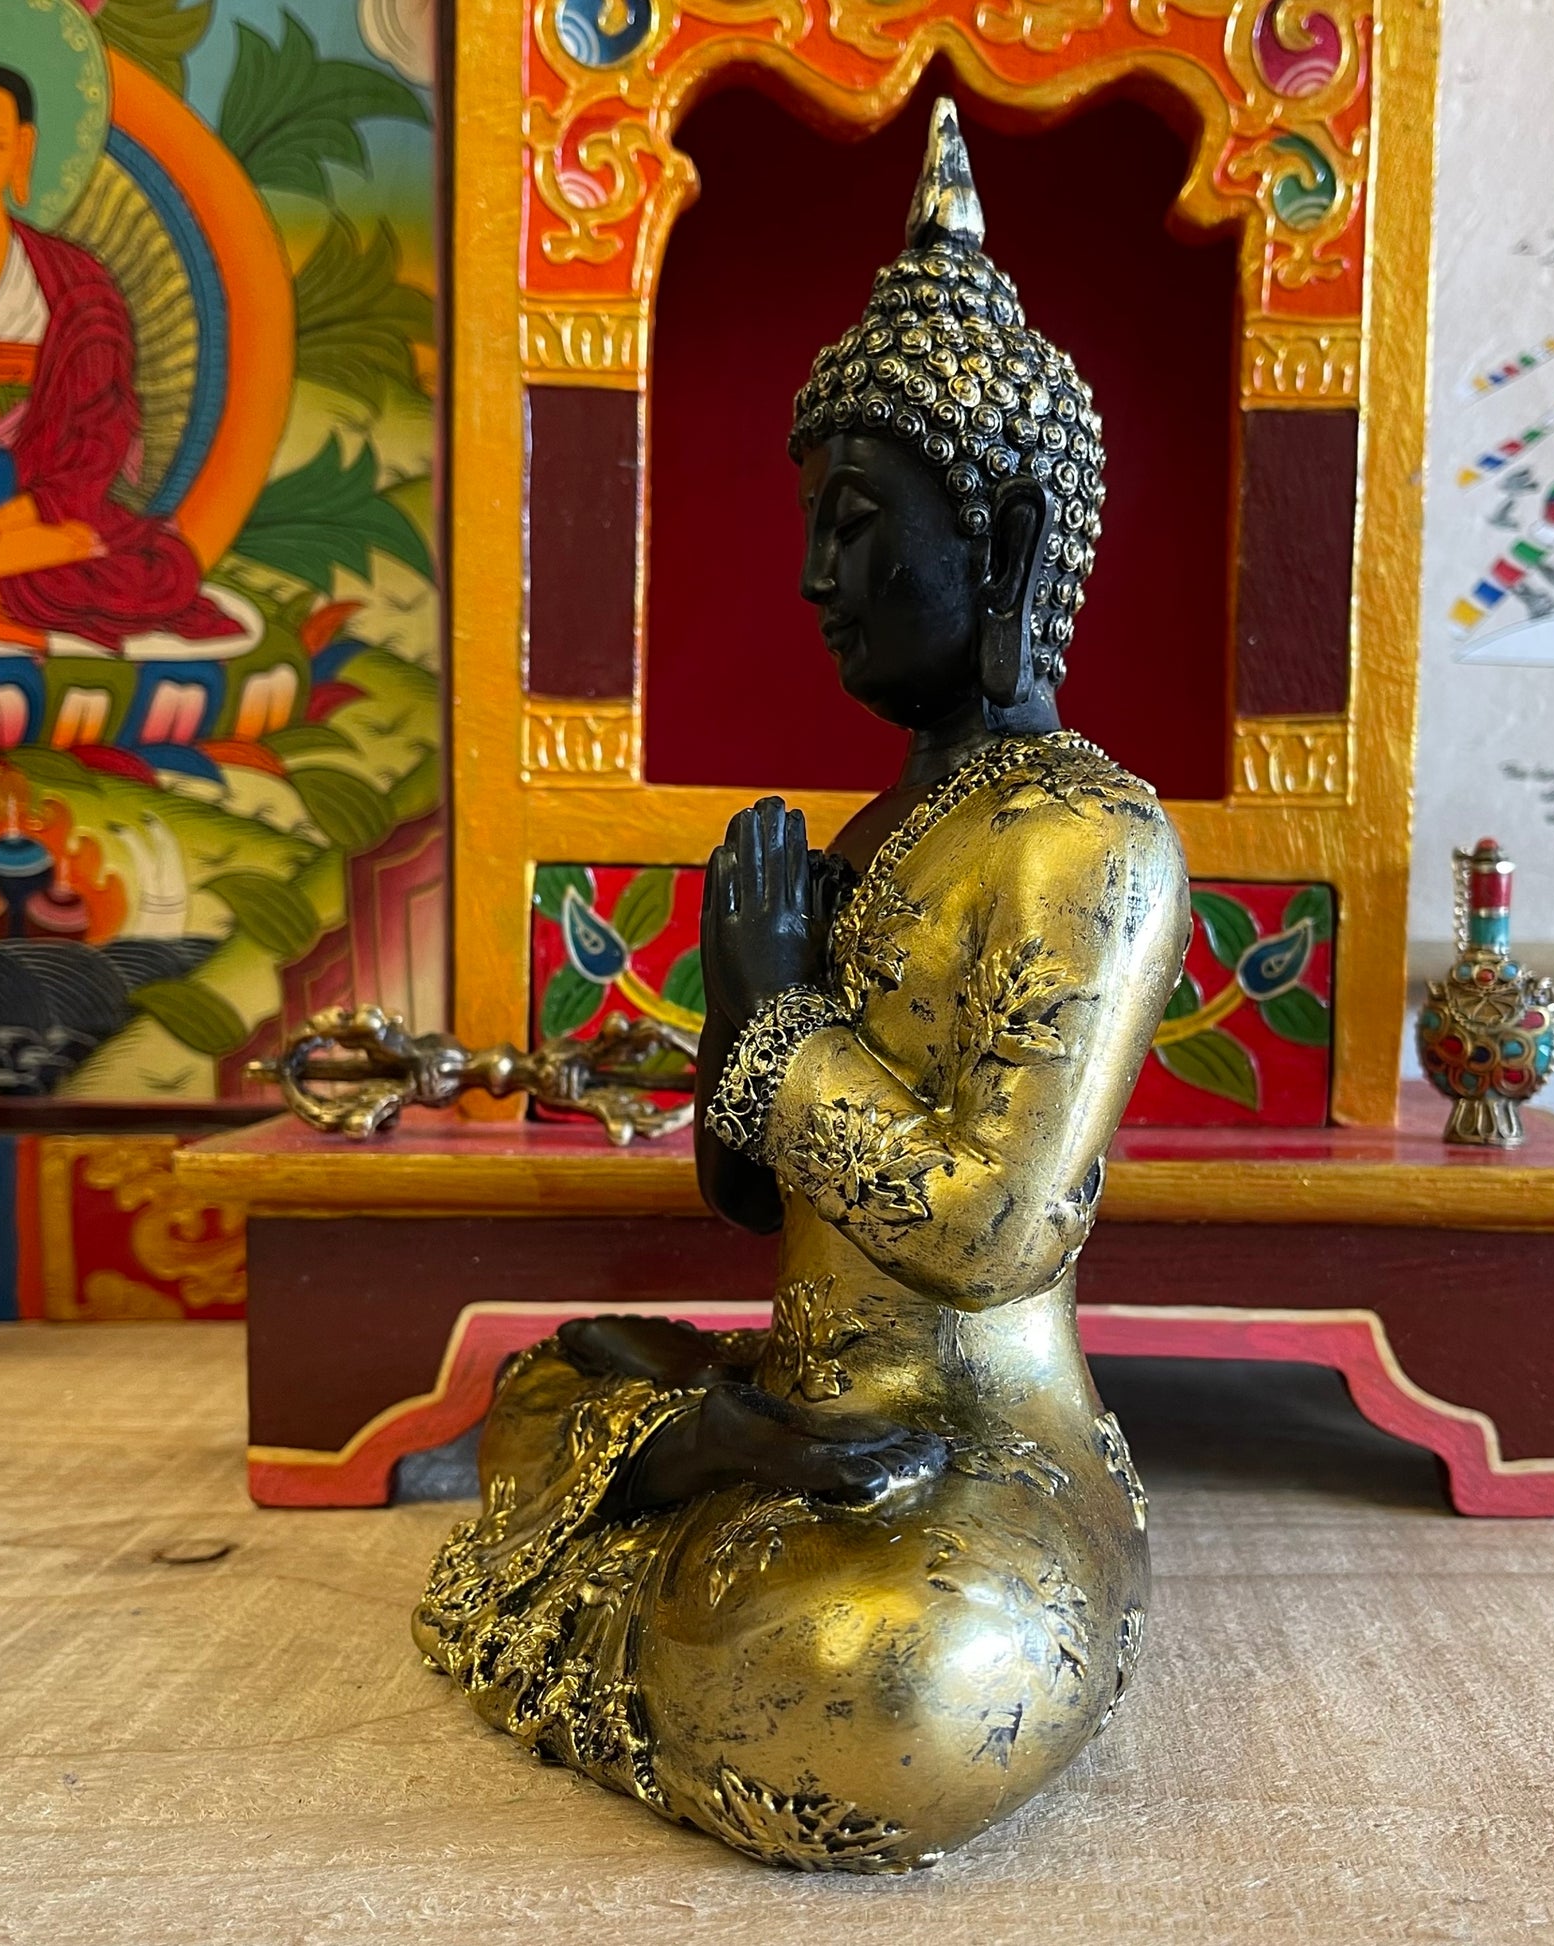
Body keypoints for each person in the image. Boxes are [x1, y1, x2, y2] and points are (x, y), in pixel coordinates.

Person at [414, 99, 1191, 1870]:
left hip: (982, 1441)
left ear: (996, 552)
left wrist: (777, 1027)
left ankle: (711, 1528)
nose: (812, 576)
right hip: (818, 1395)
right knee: (555, 1388)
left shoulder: (1093, 842)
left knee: (900, 1669)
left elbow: (999, 1228)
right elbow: (748, 1191)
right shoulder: (870, 831)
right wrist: (738, 1007)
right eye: (818, 523)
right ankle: (722, 1469)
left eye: (859, 526)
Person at [0, 30, 241, 651]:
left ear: (24, 148)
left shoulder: (73, 282)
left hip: (33, 503)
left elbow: (98, 431)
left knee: (155, 573)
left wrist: (15, 516)